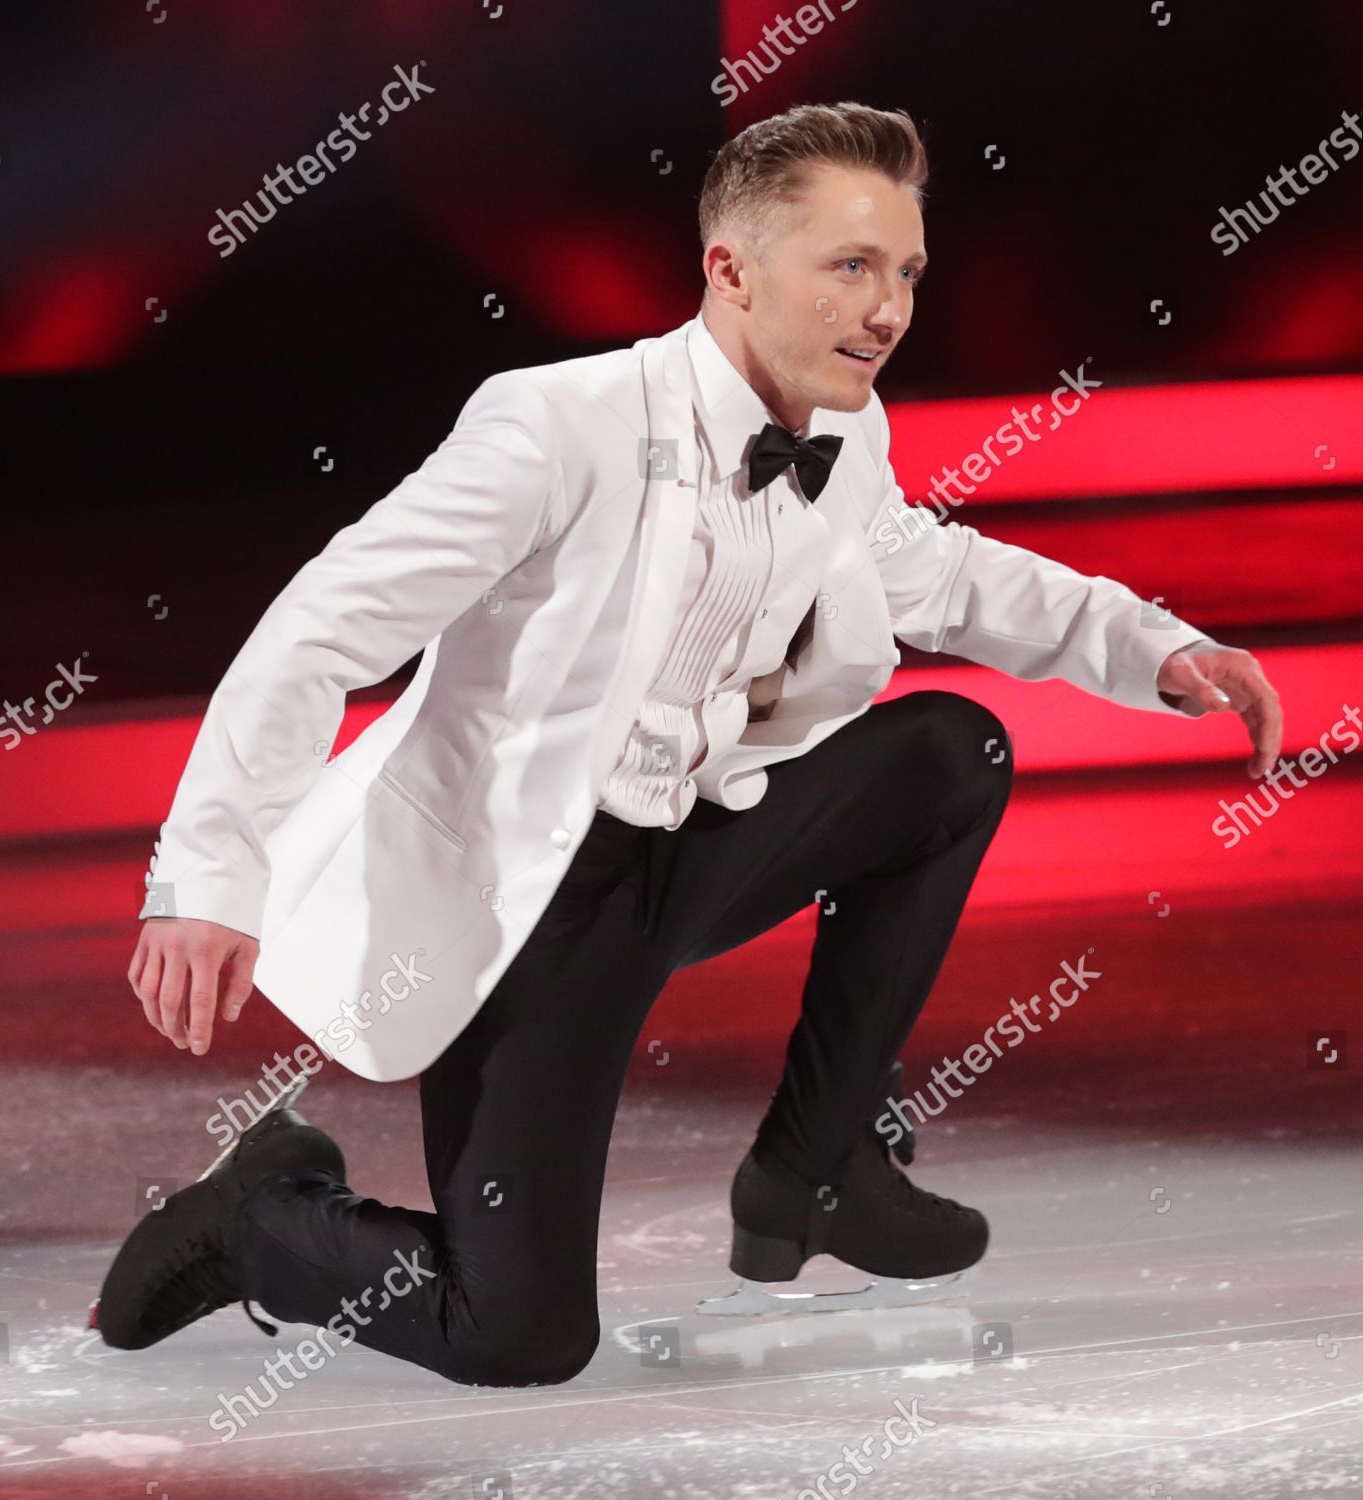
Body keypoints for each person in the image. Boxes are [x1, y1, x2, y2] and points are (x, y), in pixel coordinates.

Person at [96, 102, 1282, 1387]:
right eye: (850, 268)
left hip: (696, 844)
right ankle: (257, 1211)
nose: (887, 310)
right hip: (534, 908)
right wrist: (209, 880)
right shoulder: (558, 425)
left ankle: (817, 1168)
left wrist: (1154, 648)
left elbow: (935, 573)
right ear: (730, 268)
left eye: (906, 274)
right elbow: (319, 630)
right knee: (519, 1334)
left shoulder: (843, 435)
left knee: (948, 755)